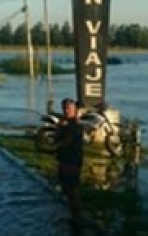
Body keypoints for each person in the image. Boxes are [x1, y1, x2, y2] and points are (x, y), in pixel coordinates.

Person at [55, 98, 84, 232]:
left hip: (72, 161)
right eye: (65, 108)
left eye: (69, 108)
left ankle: (77, 217)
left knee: (73, 189)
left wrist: (56, 144)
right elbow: (58, 138)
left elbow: (65, 141)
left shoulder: (75, 125)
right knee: (67, 188)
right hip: (64, 159)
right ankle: (73, 215)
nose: (67, 111)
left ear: (75, 110)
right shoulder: (64, 124)